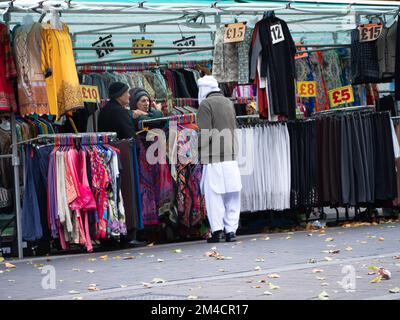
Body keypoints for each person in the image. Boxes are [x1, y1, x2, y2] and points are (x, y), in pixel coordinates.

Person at [197, 75, 242, 243]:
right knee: (232, 194)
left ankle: (218, 231)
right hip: (231, 155)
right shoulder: (228, 103)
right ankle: (231, 231)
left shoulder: (205, 105)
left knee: (214, 195)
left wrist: (198, 152)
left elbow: (204, 133)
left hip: (213, 157)